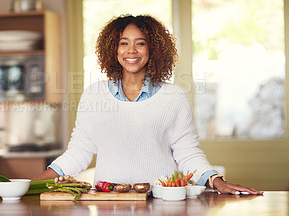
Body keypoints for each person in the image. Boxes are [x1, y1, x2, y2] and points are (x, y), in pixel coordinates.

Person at [33, 14, 262, 195]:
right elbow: (80, 150)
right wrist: (33, 184)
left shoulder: (174, 97)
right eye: (124, 43)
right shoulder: (94, 95)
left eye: (140, 43)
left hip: (162, 201)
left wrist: (216, 181)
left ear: (153, 50)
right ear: (114, 49)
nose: (131, 50)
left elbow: (187, 152)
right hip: (109, 200)